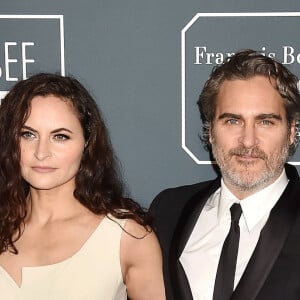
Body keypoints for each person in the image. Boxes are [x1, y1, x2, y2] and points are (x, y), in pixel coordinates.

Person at [150, 49, 300, 300]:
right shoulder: (167, 210)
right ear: (210, 130)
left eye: (265, 122)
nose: (248, 141)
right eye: (232, 121)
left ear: (291, 130)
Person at [0, 73, 165, 300]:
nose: (41, 153)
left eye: (60, 137)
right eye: (28, 134)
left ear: (87, 144)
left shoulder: (126, 237)